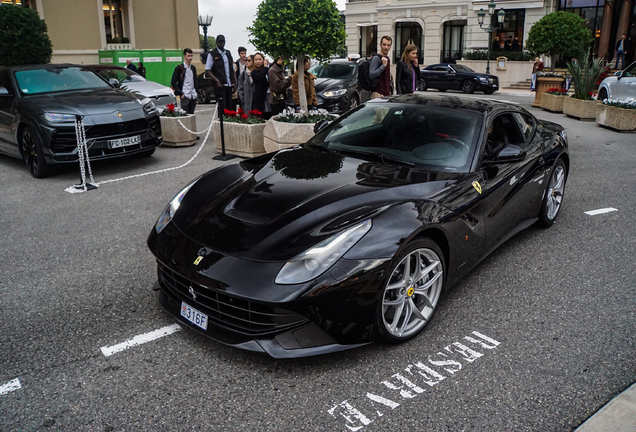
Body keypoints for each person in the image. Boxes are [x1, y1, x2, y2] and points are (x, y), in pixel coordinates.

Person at [205, 34, 237, 114]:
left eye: (222, 42)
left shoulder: (228, 53)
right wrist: (217, 81)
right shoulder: (212, 54)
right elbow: (208, 70)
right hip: (220, 86)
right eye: (219, 42)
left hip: (229, 85)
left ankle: (228, 123)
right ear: (216, 42)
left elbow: (232, 70)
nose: (221, 44)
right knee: (222, 106)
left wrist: (236, 82)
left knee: (230, 106)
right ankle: (221, 124)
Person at [170, 48, 198, 114]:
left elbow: (195, 80)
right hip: (185, 94)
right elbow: (173, 81)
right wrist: (180, 93)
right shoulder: (179, 68)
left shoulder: (193, 68)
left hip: (193, 94)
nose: (190, 58)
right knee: (185, 114)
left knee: (192, 114)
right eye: (188, 56)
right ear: (184, 56)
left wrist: (196, 91)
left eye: (191, 56)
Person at [251, 52, 270, 117]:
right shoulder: (254, 72)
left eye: (260, 59)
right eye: (256, 60)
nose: (258, 61)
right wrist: (265, 67)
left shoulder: (268, 70)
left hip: (268, 95)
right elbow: (261, 76)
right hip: (259, 97)